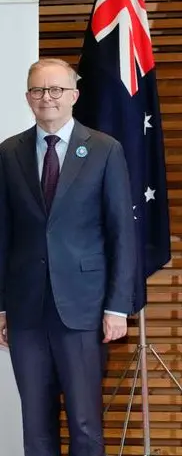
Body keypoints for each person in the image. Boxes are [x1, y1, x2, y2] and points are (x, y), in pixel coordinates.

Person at [0, 58, 136, 456]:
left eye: (56, 90)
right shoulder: (8, 153)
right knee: (36, 426)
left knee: (84, 423)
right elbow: (3, 234)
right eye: (39, 91)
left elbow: (121, 234)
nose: (48, 98)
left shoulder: (105, 150)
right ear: (28, 97)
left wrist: (116, 307)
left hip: (84, 308)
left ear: (74, 96)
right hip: (26, 311)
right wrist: (2, 307)